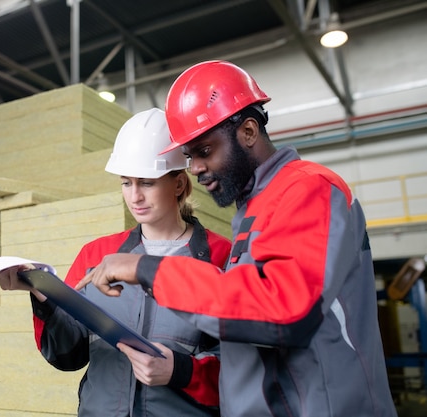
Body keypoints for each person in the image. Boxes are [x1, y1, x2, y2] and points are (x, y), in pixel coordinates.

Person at [76, 61, 398, 417]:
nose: (195, 168)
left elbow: (284, 311)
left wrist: (148, 269)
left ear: (247, 132)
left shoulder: (309, 189)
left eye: (204, 151)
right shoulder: (254, 211)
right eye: (189, 156)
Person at [0, 108, 232, 416]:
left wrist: (181, 370)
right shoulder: (96, 255)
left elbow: (245, 368)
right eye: (125, 183)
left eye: (146, 182)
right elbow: (68, 354)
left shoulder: (221, 257)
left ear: (178, 184)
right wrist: (41, 294)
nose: (135, 197)